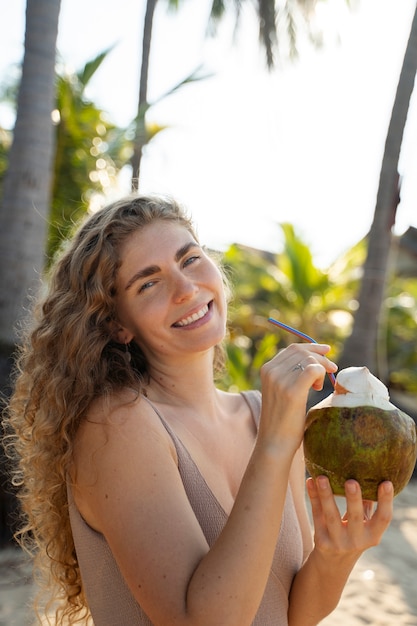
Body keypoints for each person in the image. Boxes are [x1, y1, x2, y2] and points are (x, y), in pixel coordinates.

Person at [4, 194, 393, 626]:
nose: (186, 289)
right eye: (147, 283)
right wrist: (274, 443)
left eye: (189, 259)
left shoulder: (263, 414)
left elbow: (292, 613)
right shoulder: (116, 425)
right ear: (118, 323)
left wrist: (336, 553)